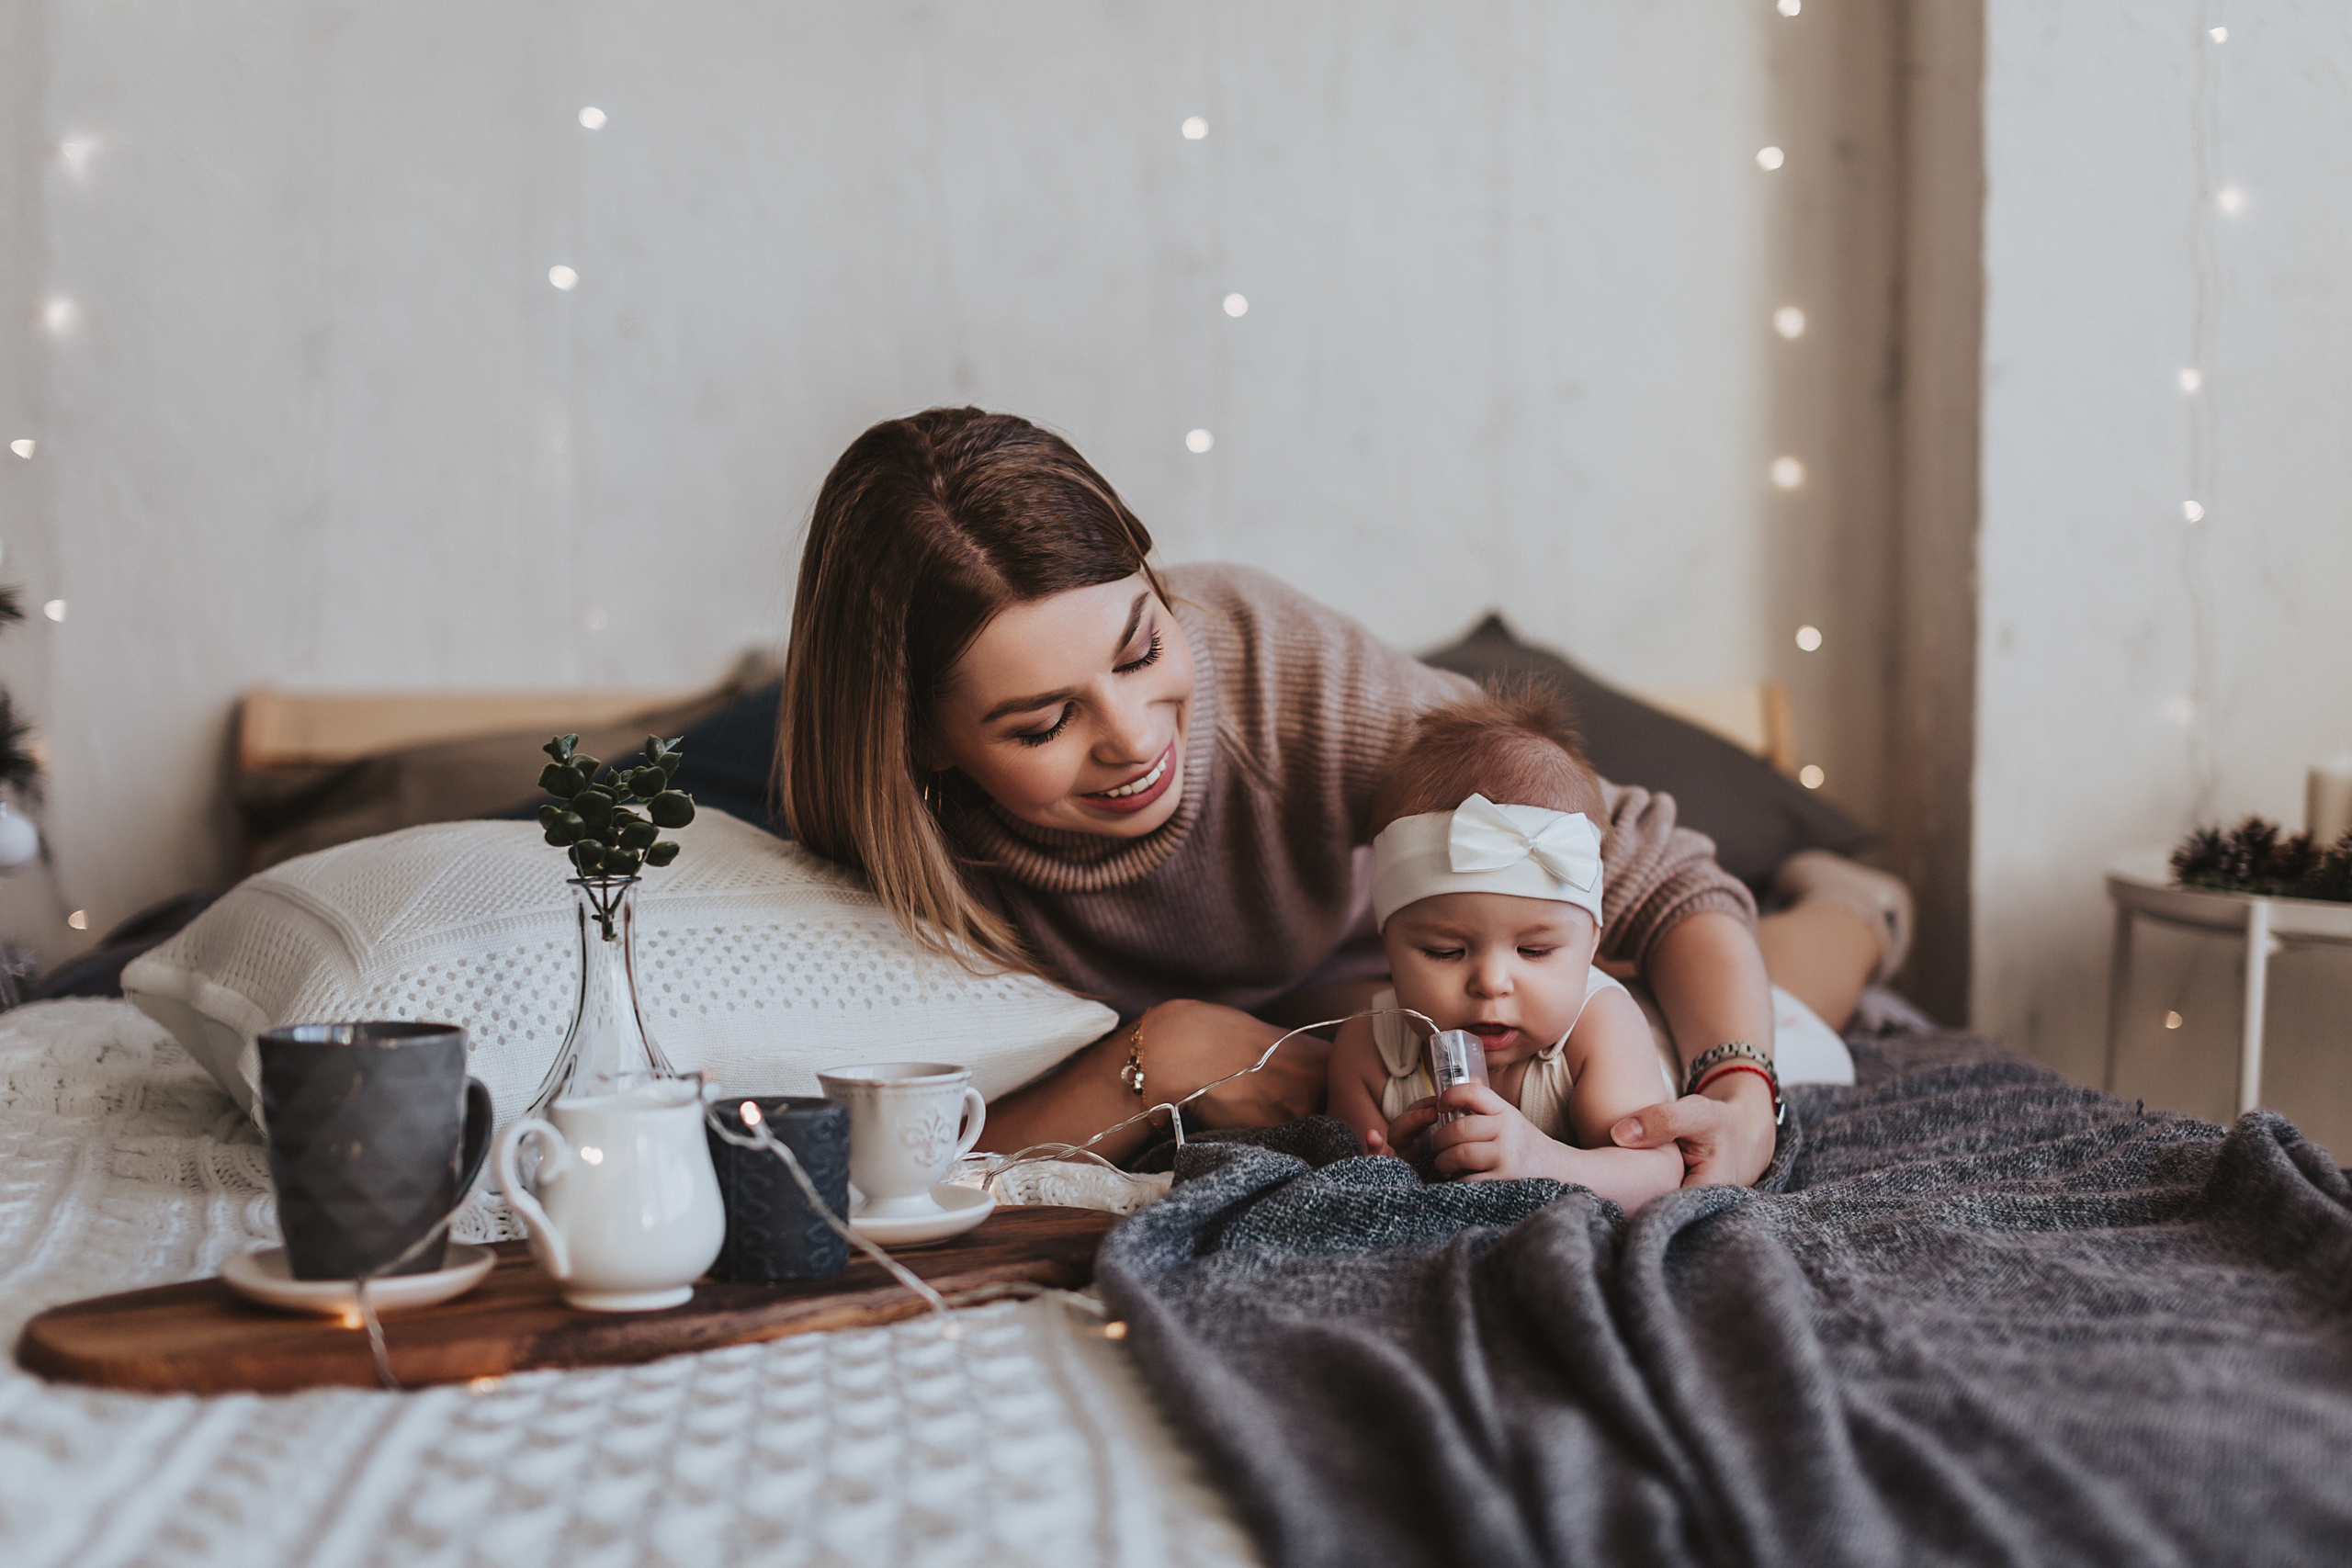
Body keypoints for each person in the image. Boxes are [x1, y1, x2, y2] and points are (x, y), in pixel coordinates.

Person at [777, 407, 1905, 1188]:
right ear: (918, 739)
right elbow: (922, 1158)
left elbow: (1654, 870)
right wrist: (1160, 1061)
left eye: (1140, 651)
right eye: (1041, 722)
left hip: (1428, 970)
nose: (1133, 740)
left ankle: (1856, 899)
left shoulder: (1286, 673)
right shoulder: (867, 851)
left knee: (1749, 998)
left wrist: (1742, 1089)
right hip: (1359, 1020)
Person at [1328, 692, 1689, 1209]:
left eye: (1536, 950)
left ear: (1590, 946)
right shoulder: (1367, 1054)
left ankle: (1828, 893)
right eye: (1446, 951)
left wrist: (1542, 1162)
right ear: (1388, 945)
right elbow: (1351, 1187)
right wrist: (1404, 1167)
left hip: (1662, 1035)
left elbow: (1656, 1171)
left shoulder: (1598, 1027)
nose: (1492, 982)